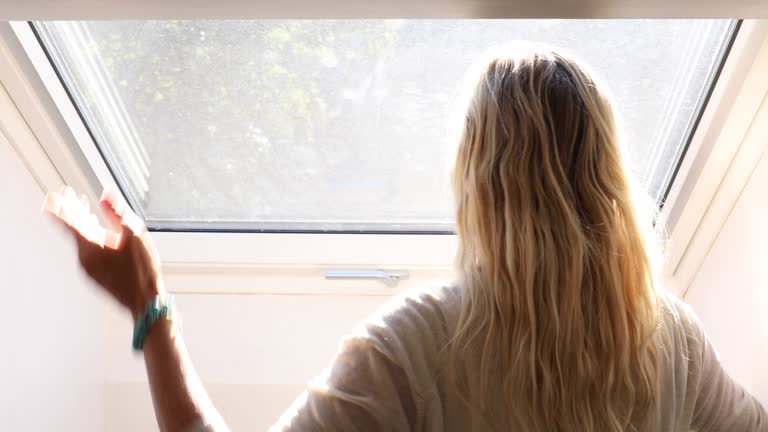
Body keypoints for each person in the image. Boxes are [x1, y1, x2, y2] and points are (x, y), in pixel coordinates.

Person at [45, 46, 767, 432]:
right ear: (608, 177)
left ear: (480, 185)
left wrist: (152, 308)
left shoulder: (414, 348)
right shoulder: (672, 343)